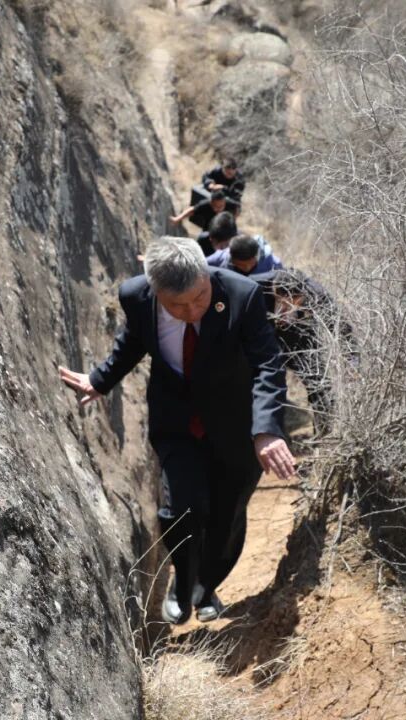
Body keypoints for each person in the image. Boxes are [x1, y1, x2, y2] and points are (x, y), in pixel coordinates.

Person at [58, 236, 296, 625]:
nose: (191, 310)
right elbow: (133, 341)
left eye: (199, 298)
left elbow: (267, 364)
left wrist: (266, 429)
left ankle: (207, 586)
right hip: (177, 423)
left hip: (237, 425)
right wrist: (100, 380)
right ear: (156, 292)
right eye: (177, 305)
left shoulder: (243, 295)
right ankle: (182, 584)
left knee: (226, 515)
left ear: (207, 275)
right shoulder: (136, 297)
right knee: (183, 509)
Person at [253, 268, 355, 432]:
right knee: (265, 381)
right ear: (274, 290)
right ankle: (266, 431)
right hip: (265, 338)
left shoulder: (316, 294)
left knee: (319, 385)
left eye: (292, 303)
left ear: (301, 296)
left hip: (300, 338)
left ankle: (324, 433)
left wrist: (352, 361)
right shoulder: (256, 285)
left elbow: (341, 327)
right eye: (281, 302)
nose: (285, 309)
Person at [207, 233, 284, 276]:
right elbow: (202, 267)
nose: (247, 268)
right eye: (241, 265)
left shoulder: (273, 264)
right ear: (232, 258)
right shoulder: (221, 258)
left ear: (256, 256)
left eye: (251, 264)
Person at [169, 190, 241, 232]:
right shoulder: (205, 205)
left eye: (221, 206)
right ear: (211, 203)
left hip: (227, 228)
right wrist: (177, 219)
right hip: (210, 229)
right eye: (216, 207)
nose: (219, 209)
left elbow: (237, 207)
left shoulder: (230, 203)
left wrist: (234, 218)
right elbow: (192, 210)